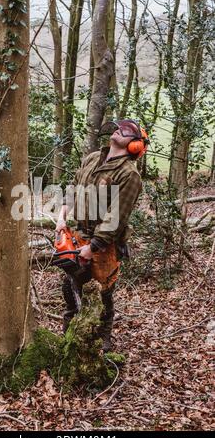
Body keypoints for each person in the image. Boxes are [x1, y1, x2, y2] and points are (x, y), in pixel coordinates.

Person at [55, 119, 149, 352]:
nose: (118, 130)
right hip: (78, 234)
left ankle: (102, 340)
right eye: (118, 127)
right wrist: (62, 216)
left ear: (135, 145)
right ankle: (70, 337)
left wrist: (94, 246)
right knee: (70, 287)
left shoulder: (129, 174)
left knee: (102, 293)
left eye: (126, 131)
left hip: (104, 244)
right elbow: (74, 187)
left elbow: (115, 217)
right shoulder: (93, 158)